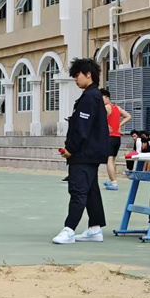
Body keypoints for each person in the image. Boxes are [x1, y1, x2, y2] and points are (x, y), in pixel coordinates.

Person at [53, 58, 109, 244]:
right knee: (91, 191)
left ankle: (69, 230)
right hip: (91, 154)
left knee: (78, 190)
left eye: (77, 75)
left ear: (88, 75)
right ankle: (95, 228)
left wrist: (70, 149)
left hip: (83, 154)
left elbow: (81, 128)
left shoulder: (89, 97)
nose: (75, 79)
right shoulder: (94, 96)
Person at [100, 89, 131, 190]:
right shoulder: (117, 107)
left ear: (107, 97)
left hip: (109, 136)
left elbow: (100, 119)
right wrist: (119, 125)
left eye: (102, 98)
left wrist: (106, 126)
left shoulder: (106, 107)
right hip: (117, 137)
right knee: (112, 159)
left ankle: (113, 182)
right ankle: (112, 180)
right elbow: (128, 116)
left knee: (109, 159)